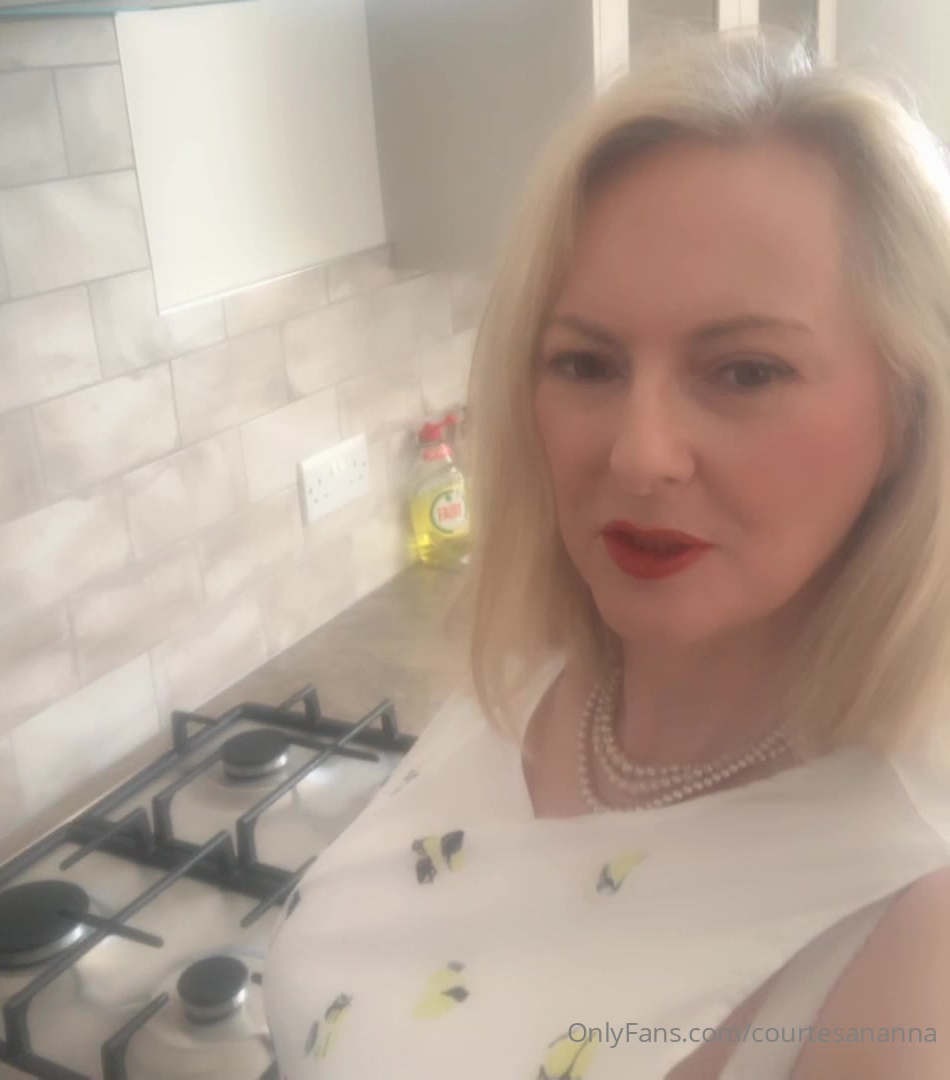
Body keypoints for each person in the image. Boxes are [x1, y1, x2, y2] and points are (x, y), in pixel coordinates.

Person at [262, 29, 950, 1079]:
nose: (639, 455)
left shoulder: (905, 935)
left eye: (746, 371)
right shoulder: (518, 684)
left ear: (911, 410)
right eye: (585, 363)